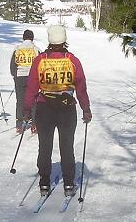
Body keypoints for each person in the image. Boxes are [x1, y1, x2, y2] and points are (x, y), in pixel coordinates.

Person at [23, 25, 92, 197]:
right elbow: (81, 87)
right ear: (64, 40)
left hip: (44, 107)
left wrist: (26, 109)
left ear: (50, 40)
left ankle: (44, 183)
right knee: (67, 147)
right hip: (66, 108)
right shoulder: (72, 60)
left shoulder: (40, 60)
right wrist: (86, 109)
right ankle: (69, 184)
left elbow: (31, 87)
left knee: (44, 146)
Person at [10, 29, 41, 134]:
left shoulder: (17, 48)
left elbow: (12, 64)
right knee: (34, 100)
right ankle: (34, 124)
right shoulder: (36, 49)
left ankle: (19, 124)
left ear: (23, 37)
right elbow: (41, 65)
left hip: (20, 77)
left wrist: (15, 76)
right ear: (32, 38)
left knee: (20, 100)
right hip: (33, 78)